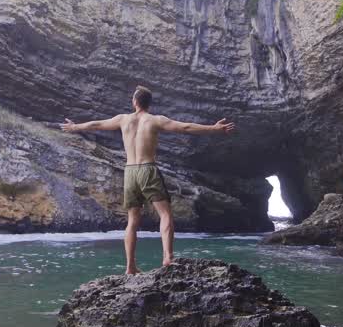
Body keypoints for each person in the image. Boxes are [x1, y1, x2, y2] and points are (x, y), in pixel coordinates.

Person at [60, 85, 235, 274]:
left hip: (130, 172)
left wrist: (74, 127)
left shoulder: (122, 120)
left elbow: (95, 125)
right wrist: (215, 128)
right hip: (147, 169)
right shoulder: (155, 120)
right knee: (166, 214)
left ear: (134, 102)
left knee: (132, 220)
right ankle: (167, 257)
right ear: (149, 104)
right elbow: (185, 127)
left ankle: (130, 267)